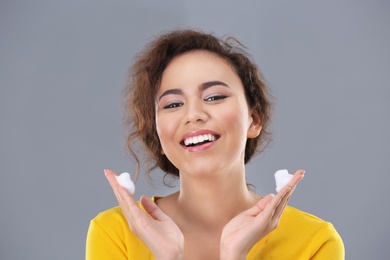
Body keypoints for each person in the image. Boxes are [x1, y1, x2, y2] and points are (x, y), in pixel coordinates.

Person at [86, 29, 344, 259]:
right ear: (159, 138)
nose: (193, 114)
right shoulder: (114, 233)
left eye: (214, 97)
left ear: (253, 120)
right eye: (173, 104)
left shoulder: (315, 242)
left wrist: (235, 255)